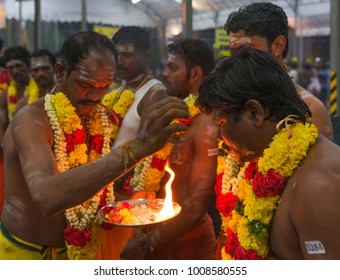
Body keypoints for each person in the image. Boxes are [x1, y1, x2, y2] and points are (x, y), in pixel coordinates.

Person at [0, 31, 189, 260]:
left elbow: (84, 186)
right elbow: (46, 198)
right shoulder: (30, 120)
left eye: (104, 86)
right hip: (28, 252)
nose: (95, 96)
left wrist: (130, 206)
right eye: (86, 84)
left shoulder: (96, 117)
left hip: (79, 252)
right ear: (61, 72)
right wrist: (135, 149)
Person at [198, 47, 340, 260]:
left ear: (255, 112)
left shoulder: (317, 185)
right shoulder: (266, 159)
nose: (218, 137)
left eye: (221, 123)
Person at [120, 38, 218, 260]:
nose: (164, 73)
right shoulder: (174, 113)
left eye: (172, 67)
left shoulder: (205, 125)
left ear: (195, 74)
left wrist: (147, 243)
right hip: (158, 237)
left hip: (189, 245)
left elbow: (196, 205)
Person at [99, 26, 168, 260]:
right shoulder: (116, 91)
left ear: (146, 56)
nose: (119, 61)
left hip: (130, 198)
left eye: (127, 54)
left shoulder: (154, 92)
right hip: (106, 191)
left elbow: (149, 155)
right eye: (116, 55)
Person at [224, 2, 333, 141]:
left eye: (246, 50)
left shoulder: (310, 111)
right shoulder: (230, 102)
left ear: (277, 45)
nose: (238, 59)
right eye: (234, 51)